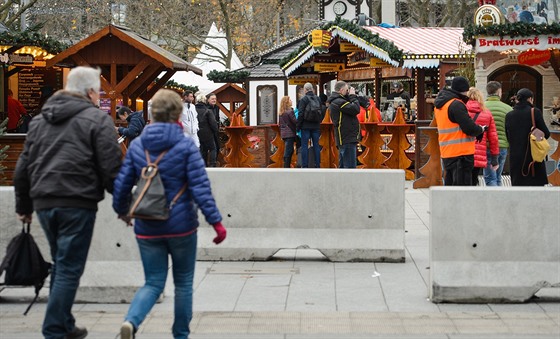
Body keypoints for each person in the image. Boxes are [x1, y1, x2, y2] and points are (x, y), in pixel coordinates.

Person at [13, 66, 122, 339]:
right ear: (89, 92)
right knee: (70, 267)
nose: (99, 97)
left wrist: (24, 207)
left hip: (44, 203)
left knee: (62, 264)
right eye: (98, 91)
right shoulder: (97, 121)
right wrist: (124, 204)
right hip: (77, 201)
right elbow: (111, 168)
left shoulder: (39, 121)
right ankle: (53, 329)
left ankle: (65, 324)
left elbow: (22, 167)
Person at [112, 89, 227, 339]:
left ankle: (131, 322)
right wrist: (216, 223)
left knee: (153, 282)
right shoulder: (185, 145)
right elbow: (200, 188)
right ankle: (180, 335)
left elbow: (122, 184)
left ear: (152, 114)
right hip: (181, 225)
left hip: (147, 224)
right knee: (183, 283)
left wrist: (123, 212)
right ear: (178, 114)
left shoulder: (139, 144)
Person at [434, 76, 485, 186]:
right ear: (465, 90)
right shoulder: (456, 104)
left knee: (451, 188)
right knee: (462, 192)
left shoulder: (441, 105)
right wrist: (480, 130)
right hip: (461, 155)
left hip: (447, 152)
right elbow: (469, 128)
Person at [505, 88, 551, 186]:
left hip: (515, 158)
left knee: (518, 187)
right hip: (533, 156)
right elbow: (546, 133)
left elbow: (508, 136)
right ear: (530, 99)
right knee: (535, 187)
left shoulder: (509, 115)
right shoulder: (535, 112)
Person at [466, 87, 499, 186]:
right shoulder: (487, 113)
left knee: (464, 180)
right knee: (474, 178)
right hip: (479, 151)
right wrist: (494, 158)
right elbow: (493, 137)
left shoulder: (462, 111)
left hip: (464, 150)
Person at [484, 81, 512, 186]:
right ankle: (500, 200)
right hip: (502, 146)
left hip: (486, 145)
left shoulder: (482, 107)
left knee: (490, 177)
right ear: (499, 92)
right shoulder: (508, 109)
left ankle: (493, 201)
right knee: (498, 177)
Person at [328, 81, 361, 168]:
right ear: (341, 90)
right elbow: (355, 109)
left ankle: (342, 181)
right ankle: (349, 182)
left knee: (343, 167)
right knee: (349, 167)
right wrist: (353, 97)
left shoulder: (337, 101)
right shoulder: (339, 102)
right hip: (347, 137)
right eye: (347, 90)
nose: (348, 92)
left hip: (345, 137)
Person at [296, 82, 322, 168]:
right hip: (316, 126)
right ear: (312, 89)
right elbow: (320, 112)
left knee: (304, 146)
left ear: (305, 90)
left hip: (305, 126)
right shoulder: (318, 99)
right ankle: (317, 164)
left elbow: (300, 114)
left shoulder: (303, 100)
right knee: (316, 145)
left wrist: (298, 127)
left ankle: (305, 165)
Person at [195, 92, 219, 167]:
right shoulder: (208, 111)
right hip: (208, 133)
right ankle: (212, 165)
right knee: (213, 148)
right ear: (205, 100)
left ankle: (203, 165)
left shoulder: (193, 110)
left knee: (203, 149)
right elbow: (213, 123)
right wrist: (216, 131)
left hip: (197, 132)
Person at [278, 96, 297, 168]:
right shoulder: (290, 112)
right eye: (290, 100)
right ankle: (286, 166)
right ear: (287, 102)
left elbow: (280, 124)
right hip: (290, 133)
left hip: (284, 134)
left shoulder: (281, 113)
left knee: (289, 149)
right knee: (289, 150)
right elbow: (295, 121)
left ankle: (287, 165)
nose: (291, 101)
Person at [206, 93, 221, 161]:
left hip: (215, 130)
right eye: (212, 99)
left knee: (217, 147)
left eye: (215, 99)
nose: (214, 100)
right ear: (208, 100)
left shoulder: (217, 108)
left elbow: (218, 118)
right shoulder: (206, 108)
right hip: (208, 130)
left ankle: (215, 161)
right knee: (210, 148)